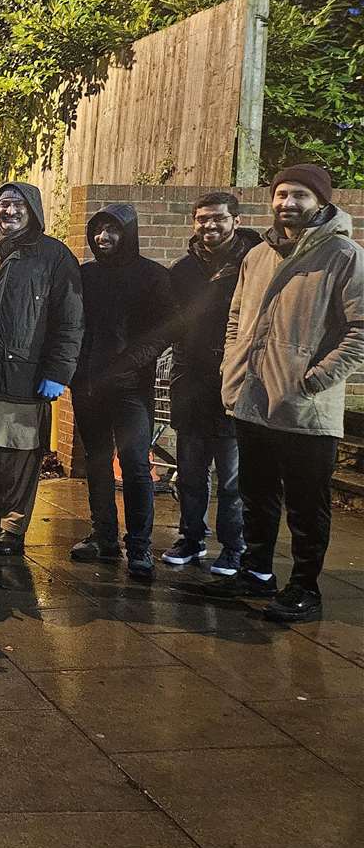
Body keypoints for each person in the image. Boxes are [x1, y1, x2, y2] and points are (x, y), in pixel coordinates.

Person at [216, 165, 364, 622]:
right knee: (256, 496)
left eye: (299, 195)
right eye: (281, 194)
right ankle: (257, 572)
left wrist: (316, 377)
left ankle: (305, 587)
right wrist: (231, 365)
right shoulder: (257, 254)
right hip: (252, 399)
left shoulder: (344, 255)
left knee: (306, 504)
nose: (287, 203)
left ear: (320, 201)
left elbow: (360, 330)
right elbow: (237, 317)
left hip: (305, 408)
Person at [0, 183, 83, 556]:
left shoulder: (54, 256)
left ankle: (12, 528)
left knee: (17, 454)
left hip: (23, 375)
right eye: (3, 204)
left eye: (17, 204)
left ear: (33, 210)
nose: (10, 211)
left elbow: (70, 320)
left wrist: (58, 371)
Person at [68, 205, 174, 579]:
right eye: (97, 231)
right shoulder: (85, 276)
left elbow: (165, 329)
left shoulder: (153, 277)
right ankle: (104, 536)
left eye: (111, 231)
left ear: (127, 233)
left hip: (131, 387)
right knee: (96, 463)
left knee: (135, 464)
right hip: (89, 385)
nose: (103, 238)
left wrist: (135, 361)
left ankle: (140, 546)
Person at [164, 192, 261, 575]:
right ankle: (191, 537)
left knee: (232, 478)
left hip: (233, 381)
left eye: (219, 219)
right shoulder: (183, 271)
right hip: (191, 384)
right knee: (190, 472)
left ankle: (234, 547)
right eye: (203, 219)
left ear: (236, 221)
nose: (210, 226)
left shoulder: (252, 265)